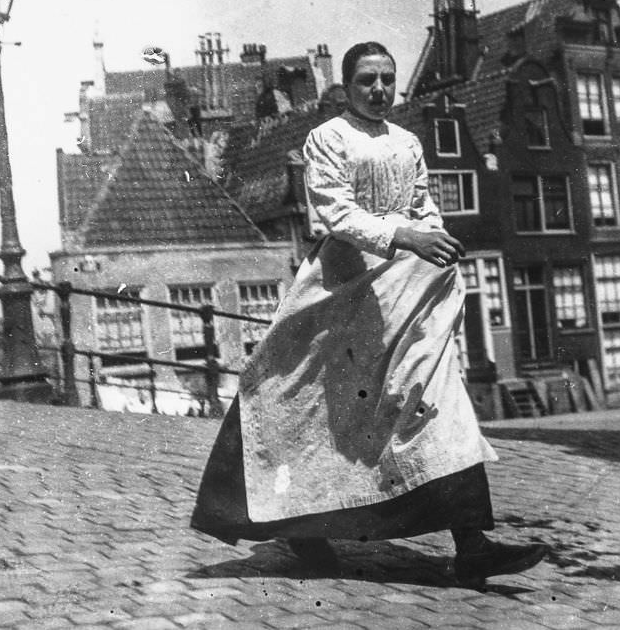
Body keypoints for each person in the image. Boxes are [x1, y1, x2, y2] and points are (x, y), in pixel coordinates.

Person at [191, 41, 547, 586]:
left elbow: (422, 203)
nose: (379, 90)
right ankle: (302, 531)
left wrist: (436, 235)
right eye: (367, 81)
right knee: (310, 408)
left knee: (434, 400)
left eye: (387, 79)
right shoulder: (327, 137)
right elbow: (334, 211)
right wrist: (402, 233)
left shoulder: (407, 141)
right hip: (343, 286)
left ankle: (472, 542)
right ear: (348, 86)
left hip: (408, 287)